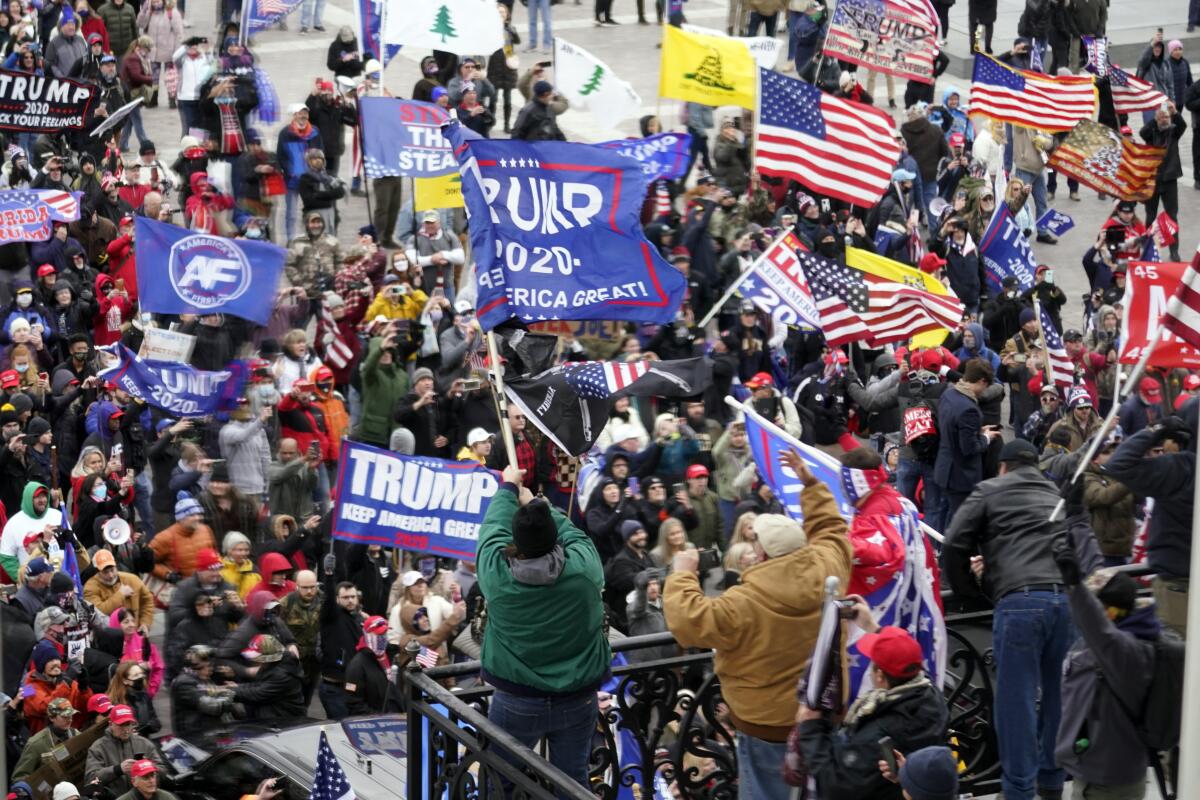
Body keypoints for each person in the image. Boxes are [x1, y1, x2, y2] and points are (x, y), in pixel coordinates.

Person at [663, 450, 851, 800]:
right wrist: (809, 483)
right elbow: (832, 529)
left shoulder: (743, 602)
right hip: (825, 714)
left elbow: (689, 623)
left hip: (766, 727)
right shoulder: (830, 567)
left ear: (762, 554)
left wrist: (683, 575)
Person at [943, 438, 1072, 800]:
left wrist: (971, 590)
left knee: (1015, 705)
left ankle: (1018, 790)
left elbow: (954, 544)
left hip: (1020, 602)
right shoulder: (1054, 492)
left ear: (1003, 466)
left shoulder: (989, 489)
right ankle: (1052, 782)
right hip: (1066, 600)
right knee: (1058, 700)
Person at [476, 464, 610, 791]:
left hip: (517, 698)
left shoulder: (496, 574)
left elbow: (491, 529)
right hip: (577, 697)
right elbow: (575, 535)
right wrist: (543, 508)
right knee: (572, 783)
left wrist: (508, 487)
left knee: (499, 783)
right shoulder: (583, 571)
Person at [1053, 510, 1159, 800]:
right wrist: (1076, 521)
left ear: (1109, 613)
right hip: (1094, 772)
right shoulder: (1127, 623)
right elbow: (1096, 571)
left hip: (1110, 783)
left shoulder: (1125, 651)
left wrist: (1074, 588)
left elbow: (1094, 622)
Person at [796, 618, 947, 798]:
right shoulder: (932, 696)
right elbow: (905, 661)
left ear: (880, 676)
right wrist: (875, 629)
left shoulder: (875, 735)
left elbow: (835, 785)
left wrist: (811, 729)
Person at [1104, 404, 1196, 638]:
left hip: (1179, 584)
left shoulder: (1182, 468)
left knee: (1176, 664)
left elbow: (1118, 464)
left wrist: (1155, 429)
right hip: (1180, 577)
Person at [934, 358, 1001, 525]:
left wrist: (975, 431)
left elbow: (951, 429)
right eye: (986, 386)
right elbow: (969, 448)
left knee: (944, 518)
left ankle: (939, 549)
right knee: (962, 523)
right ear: (981, 381)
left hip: (944, 470)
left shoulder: (948, 394)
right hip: (961, 478)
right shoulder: (969, 409)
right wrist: (985, 437)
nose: (984, 390)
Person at [84, 704, 162, 797]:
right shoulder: (98, 748)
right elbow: (90, 779)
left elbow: (164, 772)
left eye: (128, 724)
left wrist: (148, 766)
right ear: (111, 724)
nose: (126, 729)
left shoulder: (144, 743)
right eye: (121, 725)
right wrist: (118, 769)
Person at [11, 697, 79, 780]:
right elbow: (19, 777)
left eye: (71, 716)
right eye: (65, 716)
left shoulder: (77, 735)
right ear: (52, 718)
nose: (70, 720)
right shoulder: (36, 744)